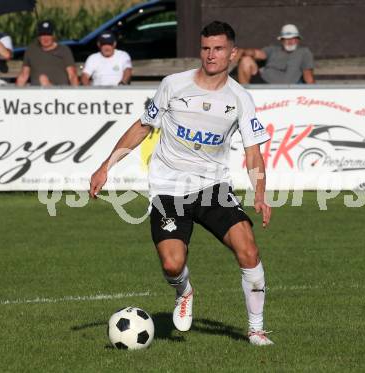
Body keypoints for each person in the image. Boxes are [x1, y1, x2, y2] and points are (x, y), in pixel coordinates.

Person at [89, 21, 274, 346]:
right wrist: (106, 166)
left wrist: (259, 192)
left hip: (213, 188)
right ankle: (184, 291)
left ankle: (256, 329)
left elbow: (253, 151)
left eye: (218, 49)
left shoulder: (240, 98)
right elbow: (142, 126)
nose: (210, 55)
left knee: (248, 250)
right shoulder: (173, 85)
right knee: (172, 263)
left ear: (232, 53)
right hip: (168, 189)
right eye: (205, 48)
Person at [237, 24, 315, 84]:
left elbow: (308, 77)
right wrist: (244, 52)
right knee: (246, 60)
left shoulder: (304, 52)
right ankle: (243, 97)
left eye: (293, 38)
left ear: (298, 40)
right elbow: (258, 53)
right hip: (263, 83)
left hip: (288, 90)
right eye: (286, 39)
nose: (290, 41)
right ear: (281, 40)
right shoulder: (273, 49)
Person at [16, 20, 78, 86]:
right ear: (38, 37)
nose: (45, 38)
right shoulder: (31, 50)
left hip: (60, 91)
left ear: (53, 36)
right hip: (36, 92)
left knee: (43, 79)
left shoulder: (64, 50)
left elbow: (72, 75)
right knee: (42, 78)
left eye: (48, 34)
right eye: (43, 34)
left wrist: (76, 93)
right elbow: (24, 75)